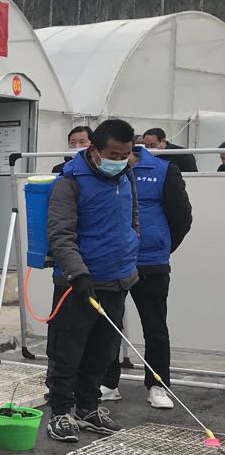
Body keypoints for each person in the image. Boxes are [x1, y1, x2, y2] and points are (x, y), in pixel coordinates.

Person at [43, 119, 139, 444]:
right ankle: (60, 411)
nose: (120, 160)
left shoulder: (126, 176)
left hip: (117, 280)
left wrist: (131, 248)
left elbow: (132, 219)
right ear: (94, 150)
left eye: (125, 154)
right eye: (114, 154)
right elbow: (60, 234)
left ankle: (88, 407)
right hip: (77, 284)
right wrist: (78, 273)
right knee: (67, 351)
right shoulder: (69, 182)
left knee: (103, 350)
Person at [97, 141, 191, 409]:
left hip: (150, 262)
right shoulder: (102, 171)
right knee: (108, 324)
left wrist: (160, 244)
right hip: (113, 261)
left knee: (155, 326)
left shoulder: (163, 170)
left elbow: (182, 218)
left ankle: (158, 385)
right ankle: (108, 382)